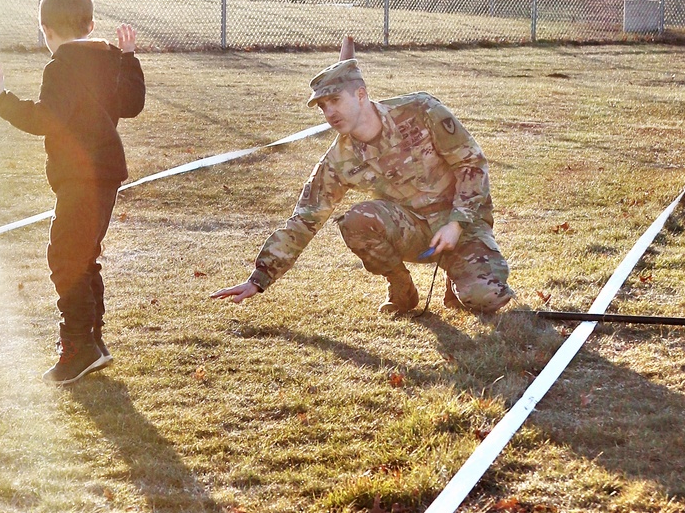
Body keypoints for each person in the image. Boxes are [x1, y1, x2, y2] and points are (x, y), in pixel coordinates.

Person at [212, 42, 512, 318]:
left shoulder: (421, 111)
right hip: (414, 231)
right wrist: (259, 278)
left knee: (488, 298)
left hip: (463, 222)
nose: (329, 112)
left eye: (334, 100)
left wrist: (456, 223)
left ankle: (457, 277)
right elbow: (304, 220)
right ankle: (401, 287)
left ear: (361, 94)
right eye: (322, 106)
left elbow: (471, 163)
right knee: (356, 220)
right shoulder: (340, 159)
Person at [0, 0, 145, 383]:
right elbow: (132, 103)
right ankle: (93, 340)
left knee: (65, 258)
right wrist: (128, 58)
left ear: (45, 30)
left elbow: (46, 119)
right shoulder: (108, 60)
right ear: (90, 24)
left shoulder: (61, 66)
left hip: (81, 177)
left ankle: (79, 346)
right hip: (105, 176)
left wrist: (4, 100)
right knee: (83, 255)